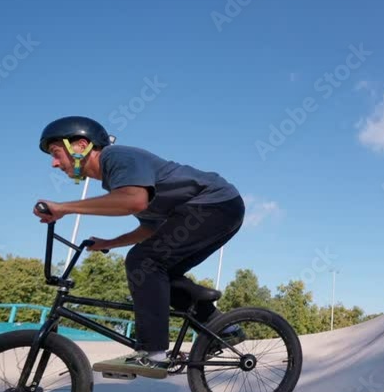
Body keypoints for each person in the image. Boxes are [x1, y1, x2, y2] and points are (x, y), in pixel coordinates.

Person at [34, 116, 246, 378]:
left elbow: (134, 202)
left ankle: (152, 353)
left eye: (56, 153)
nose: (54, 163)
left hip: (214, 205)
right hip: (220, 210)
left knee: (143, 262)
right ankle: (222, 327)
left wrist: (63, 208)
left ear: (80, 145)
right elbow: (148, 228)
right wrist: (109, 243)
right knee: (158, 271)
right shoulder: (118, 180)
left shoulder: (117, 157)